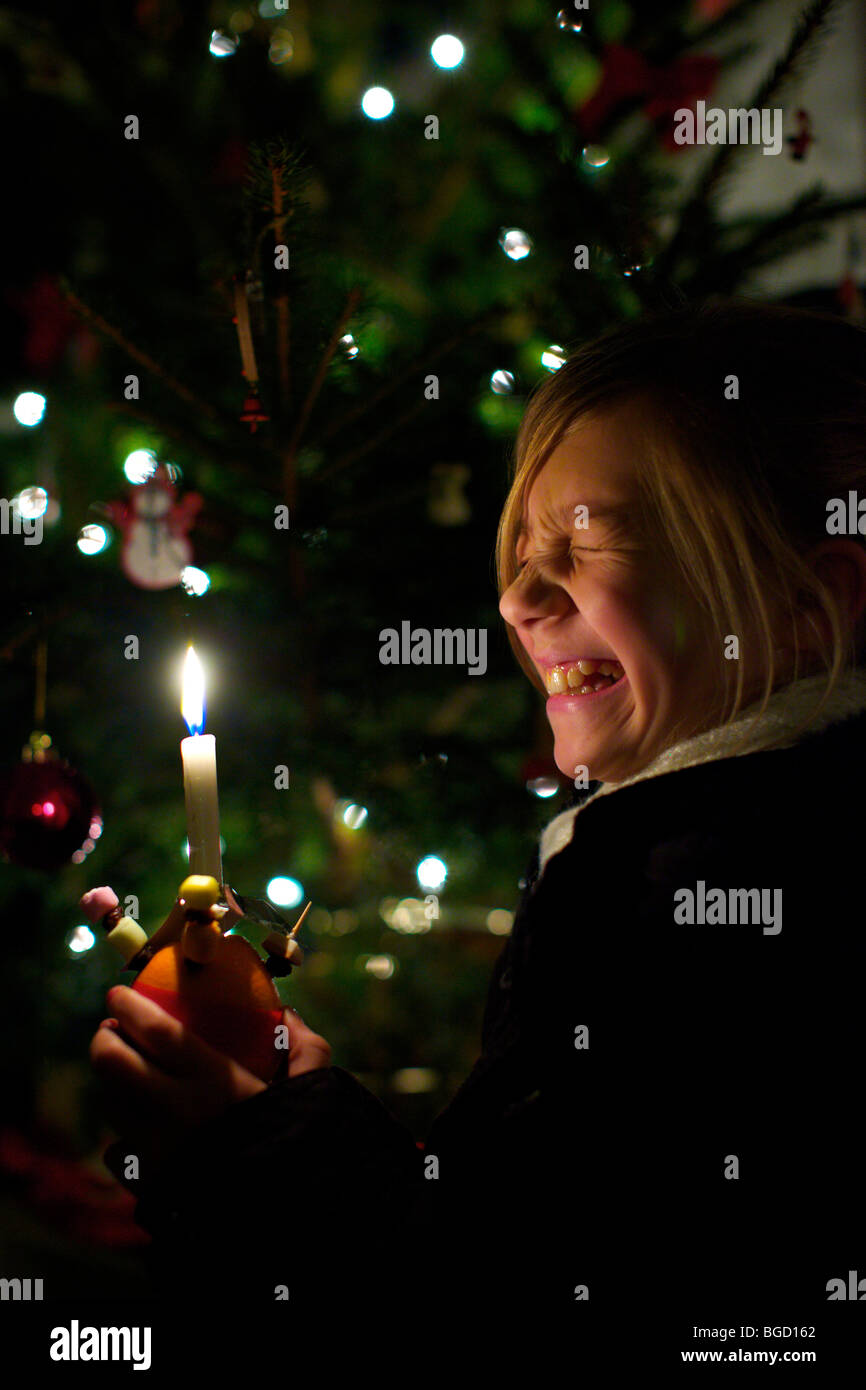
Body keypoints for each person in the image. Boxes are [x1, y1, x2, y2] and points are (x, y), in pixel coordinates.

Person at [88, 300, 866, 1344]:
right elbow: (538, 1216)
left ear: (804, 606)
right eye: (523, 545)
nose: (517, 597)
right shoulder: (675, 851)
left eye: (594, 540)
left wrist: (261, 1158)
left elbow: (515, 1310)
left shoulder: (714, 896)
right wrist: (303, 1126)